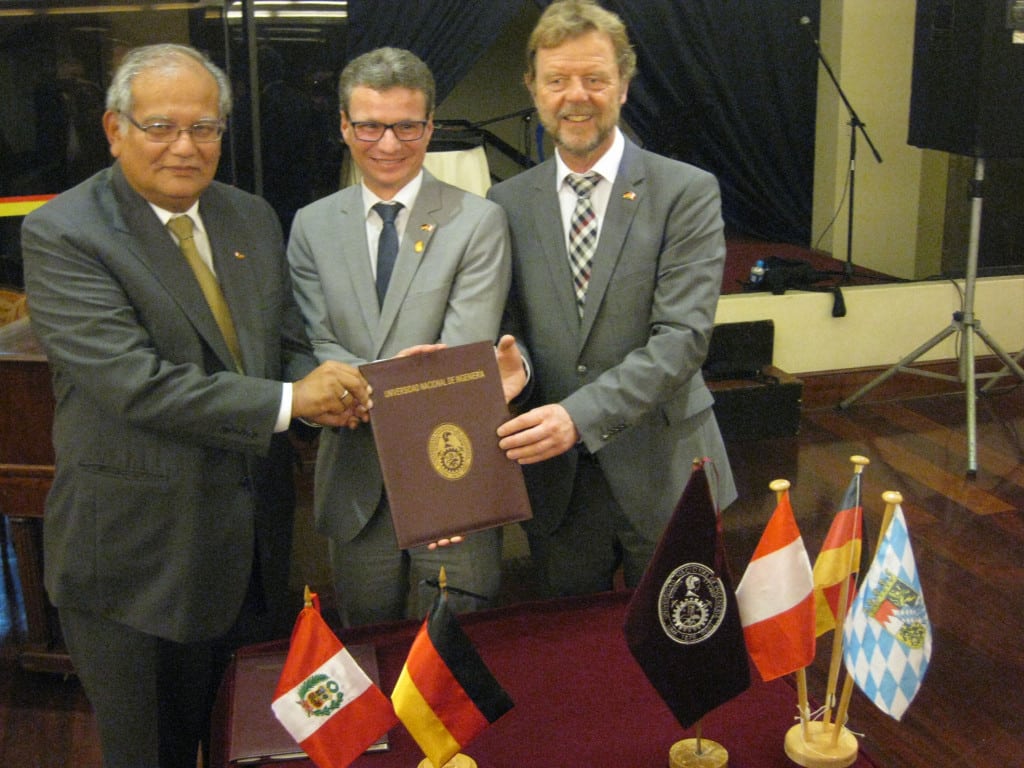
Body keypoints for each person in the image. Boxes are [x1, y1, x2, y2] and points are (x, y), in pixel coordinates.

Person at [21, 43, 369, 768]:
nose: (185, 145)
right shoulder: (64, 234)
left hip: (251, 556)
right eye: (161, 126)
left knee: (251, 747)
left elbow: (283, 345)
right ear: (115, 130)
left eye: (204, 127)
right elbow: (136, 384)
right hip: (136, 566)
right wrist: (288, 398)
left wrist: (327, 388)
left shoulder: (249, 217)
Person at [490, 0, 737, 597]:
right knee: (578, 660)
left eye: (595, 79)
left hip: (665, 467)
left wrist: (580, 416)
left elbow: (682, 341)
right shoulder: (504, 202)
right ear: (533, 88)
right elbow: (512, 326)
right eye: (557, 80)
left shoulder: (686, 192)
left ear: (624, 86)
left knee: (682, 653)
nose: (576, 95)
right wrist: (514, 365)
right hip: (559, 483)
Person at [287, 47, 511, 626]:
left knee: (454, 656)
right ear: (344, 125)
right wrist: (399, 378)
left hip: (451, 471)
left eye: (407, 126)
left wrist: (361, 382)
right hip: (356, 482)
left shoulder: (477, 221)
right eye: (369, 126)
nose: (388, 144)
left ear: (430, 126)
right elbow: (320, 346)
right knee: (371, 650)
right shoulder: (311, 227)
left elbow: (463, 353)